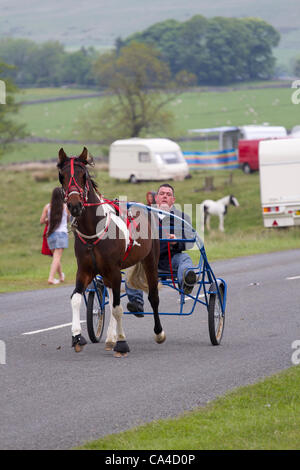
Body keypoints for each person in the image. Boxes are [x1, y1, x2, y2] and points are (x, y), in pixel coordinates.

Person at [126, 183, 197, 316]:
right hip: (148, 260)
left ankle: (186, 282)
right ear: (156, 198)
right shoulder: (144, 215)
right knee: (133, 264)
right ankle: (136, 303)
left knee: (185, 259)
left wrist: (176, 242)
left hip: (171, 259)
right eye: (162, 194)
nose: (165, 196)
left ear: (173, 200)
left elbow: (190, 240)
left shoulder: (182, 217)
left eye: (168, 194)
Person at [40, 187, 70, 285]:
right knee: (57, 257)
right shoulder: (66, 207)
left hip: (50, 234)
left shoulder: (47, 207)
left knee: (55, 257)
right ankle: (51, 278)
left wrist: (48, 220)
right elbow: (68, 220)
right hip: (61, 233)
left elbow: (42, 221)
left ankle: (61, 276)